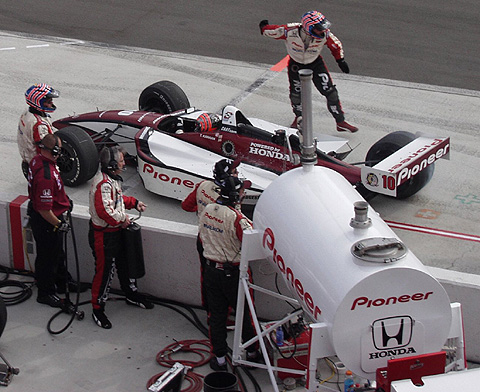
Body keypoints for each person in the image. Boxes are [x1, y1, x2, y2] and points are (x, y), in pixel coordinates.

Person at [259, 11, 358, 133]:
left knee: (331, 92)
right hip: (295, 64)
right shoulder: (289, 31)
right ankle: (299, 118)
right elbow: (271, 31)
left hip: (316, 64)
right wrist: (263, 27)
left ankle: (340, 122)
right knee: (296, 95)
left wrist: (340, 60)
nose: (322, 31)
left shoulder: (326, 35)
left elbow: (336, 46)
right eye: (319, 28)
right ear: (308, 27)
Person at [198, 176, 260, 371]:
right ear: (235, 196)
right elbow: (253, 246)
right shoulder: (237, 219)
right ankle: (251, 353)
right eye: (242, 191)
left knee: (216, 317)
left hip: (210, 271)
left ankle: (220, 359)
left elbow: (201, 238)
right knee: (244, 315)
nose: (244, 194)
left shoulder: (207, 210)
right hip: (232, 275)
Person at [89, 146, 153, 329]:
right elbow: (105, 212)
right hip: (104, 238)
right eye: (121, 161)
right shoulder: (102, 184)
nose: (124, 163)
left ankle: (131, 294)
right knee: (104, 273)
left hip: (115, 233)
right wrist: (123, 219)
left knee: (126, 264)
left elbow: (117, 199)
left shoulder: (111, 180)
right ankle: (97, 309)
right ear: (111, 165)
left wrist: (134, 203)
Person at [181, 159, 240, 312]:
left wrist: (202, 211)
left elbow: (185, 206)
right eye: (235, 172)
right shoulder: (228, 200)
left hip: (203, 239)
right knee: (227, 284)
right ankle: (222, 315)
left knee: (206, 278)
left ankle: (210, 312)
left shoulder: (202, 185)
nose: (238, 174)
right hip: (223, 247)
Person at [27, 133, 73, 307]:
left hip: (50, 218)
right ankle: (46, 293)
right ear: (54, 151)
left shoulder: (38, 160)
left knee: (57, 253)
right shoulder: (45, 175)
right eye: (59, 149)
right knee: (48, 258)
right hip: (47, 222)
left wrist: (64, 200)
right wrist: (59, 224)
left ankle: (62, 282)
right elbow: (44, 209)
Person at [18, 84, 59, 177]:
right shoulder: (39, 125)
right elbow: (44, 150)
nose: (51, 103)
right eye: (48, 101)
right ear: (38, 103)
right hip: (38, 167)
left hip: (27, 159)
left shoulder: (27, 113)